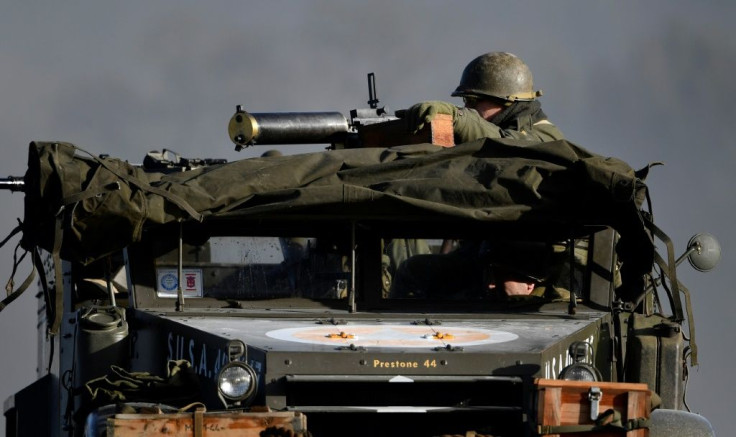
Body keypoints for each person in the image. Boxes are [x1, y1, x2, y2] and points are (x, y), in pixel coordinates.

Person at [401, 52, 565, 144]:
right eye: (466, 101)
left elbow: (505, 144)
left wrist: (458, 117)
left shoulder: (546, 136)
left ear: (507, 101)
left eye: (474, 101)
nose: (468, 109)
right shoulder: (496, 128)